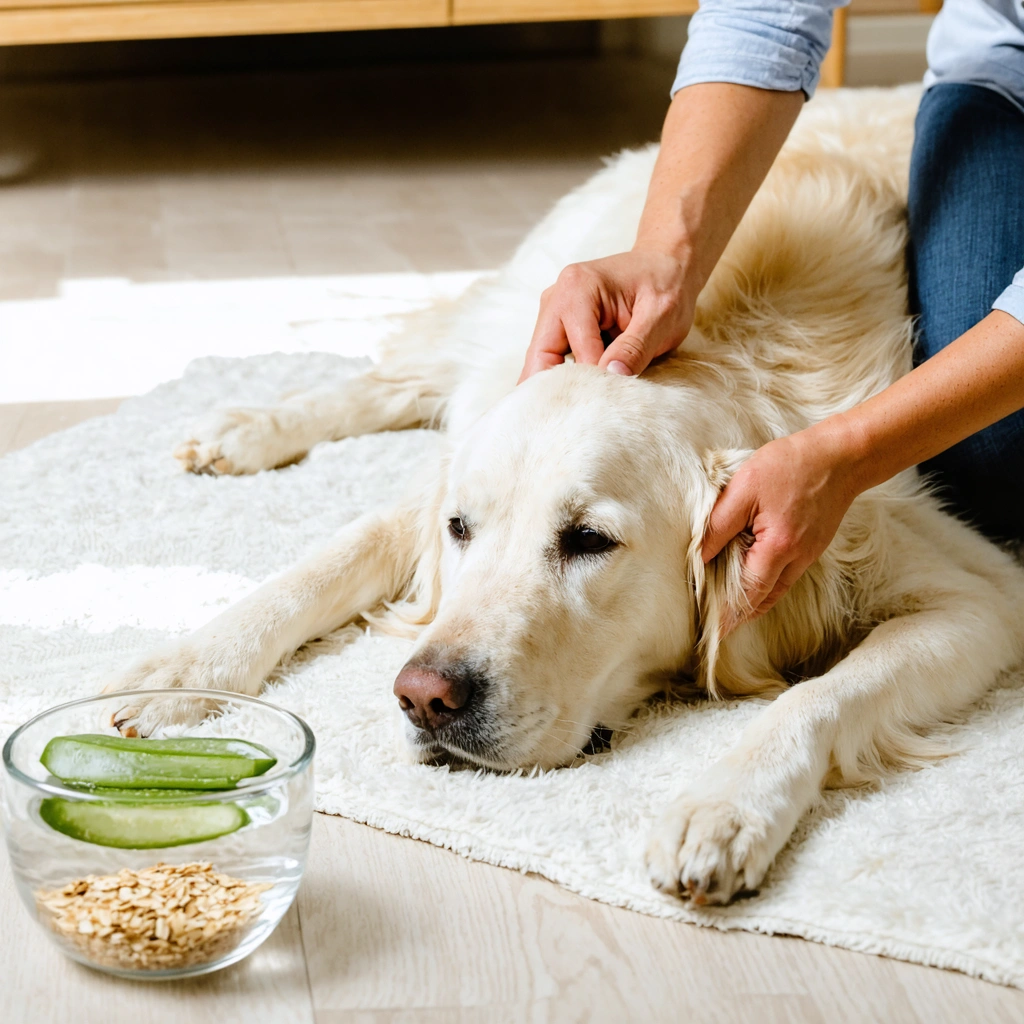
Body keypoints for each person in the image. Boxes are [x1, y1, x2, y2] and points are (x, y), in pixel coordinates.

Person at [519, 0, 1024, 627]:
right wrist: (664, 254)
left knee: (1003, 446)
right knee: (983, 439)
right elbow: (762, 13)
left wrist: (848, 455)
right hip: (1009, 71)